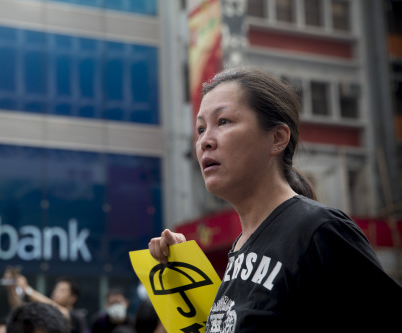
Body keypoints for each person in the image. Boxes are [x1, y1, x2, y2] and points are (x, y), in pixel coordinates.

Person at [148, 67, 402, 333]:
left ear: (277, 138)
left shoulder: (319, 229)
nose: (204, 142)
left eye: (223, 121)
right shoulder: (240, 247)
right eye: (201, 128)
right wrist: (181, 269)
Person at [3, 268, 86, 333]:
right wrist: (11, 289)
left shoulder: (76, 318)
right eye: (56, 289)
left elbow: (58, 312)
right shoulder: (45, 315)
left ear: (73, 297)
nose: (56, 292)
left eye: (62, 290)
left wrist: (27, 290)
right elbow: (20, 310)